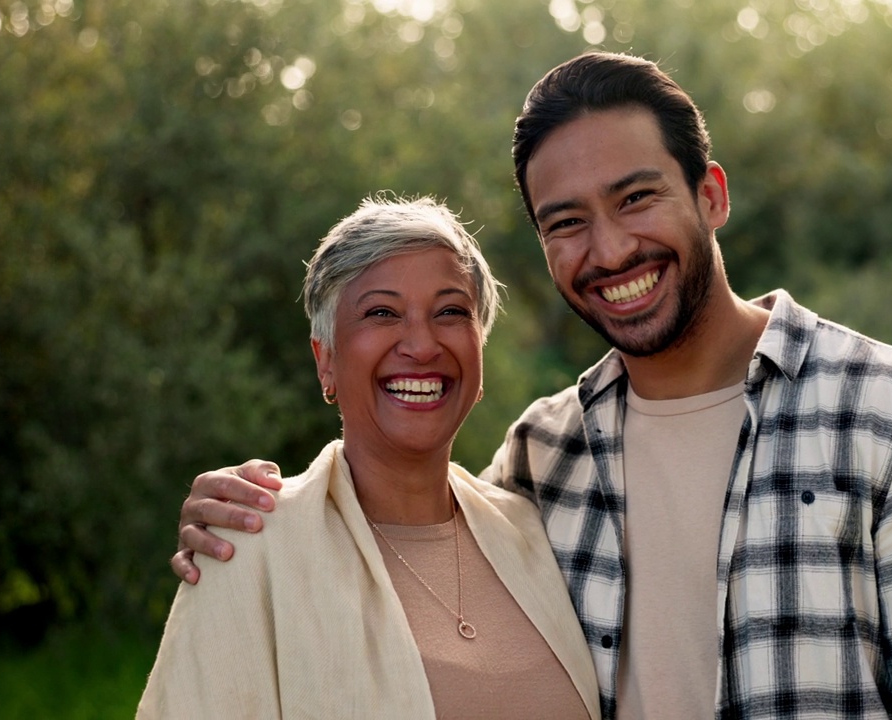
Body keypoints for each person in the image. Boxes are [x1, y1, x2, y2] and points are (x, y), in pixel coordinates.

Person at [172, 53, 892, 719]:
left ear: (712, 195)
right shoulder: (543, 459)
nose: (611, 250)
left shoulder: (887, 412)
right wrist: (240, 515)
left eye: (636, 199)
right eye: (569, 222)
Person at [139, 196, 600, 719]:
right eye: (382, 312)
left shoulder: (533, 531)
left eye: (451, 311)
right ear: (326, 360)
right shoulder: (248, 549)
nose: (422, 345)